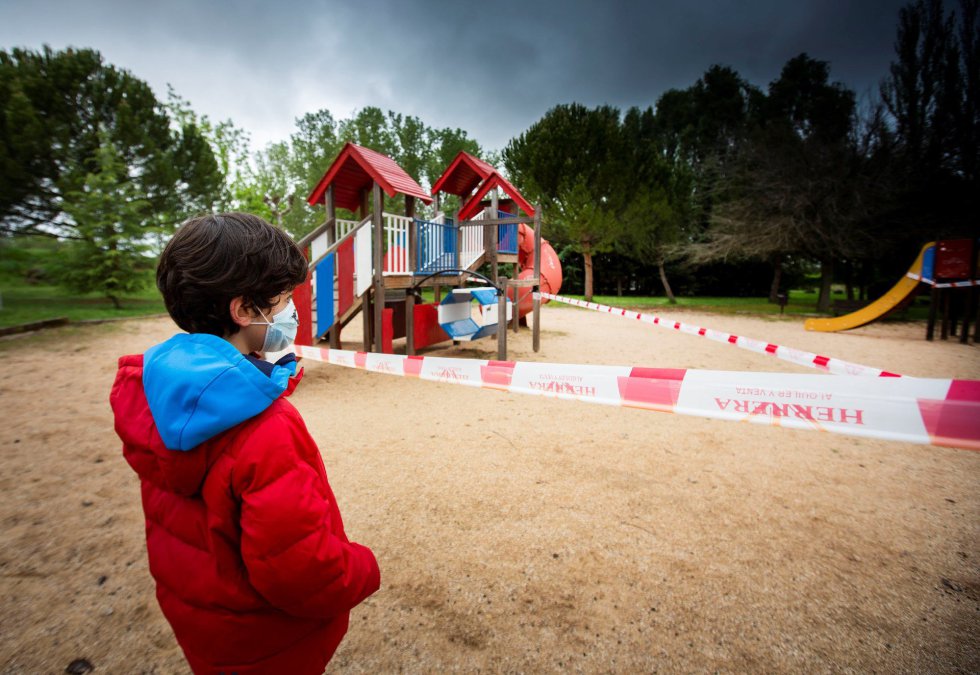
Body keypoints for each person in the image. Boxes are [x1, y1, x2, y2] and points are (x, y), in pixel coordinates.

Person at [110, 213, 380, 674]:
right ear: (244, 310)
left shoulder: (156, 394)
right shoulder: (266, 430)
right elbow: (302, 573)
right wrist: (362, 567)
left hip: (206, 623)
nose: (292, 311)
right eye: (282, 301)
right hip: (269, 645)